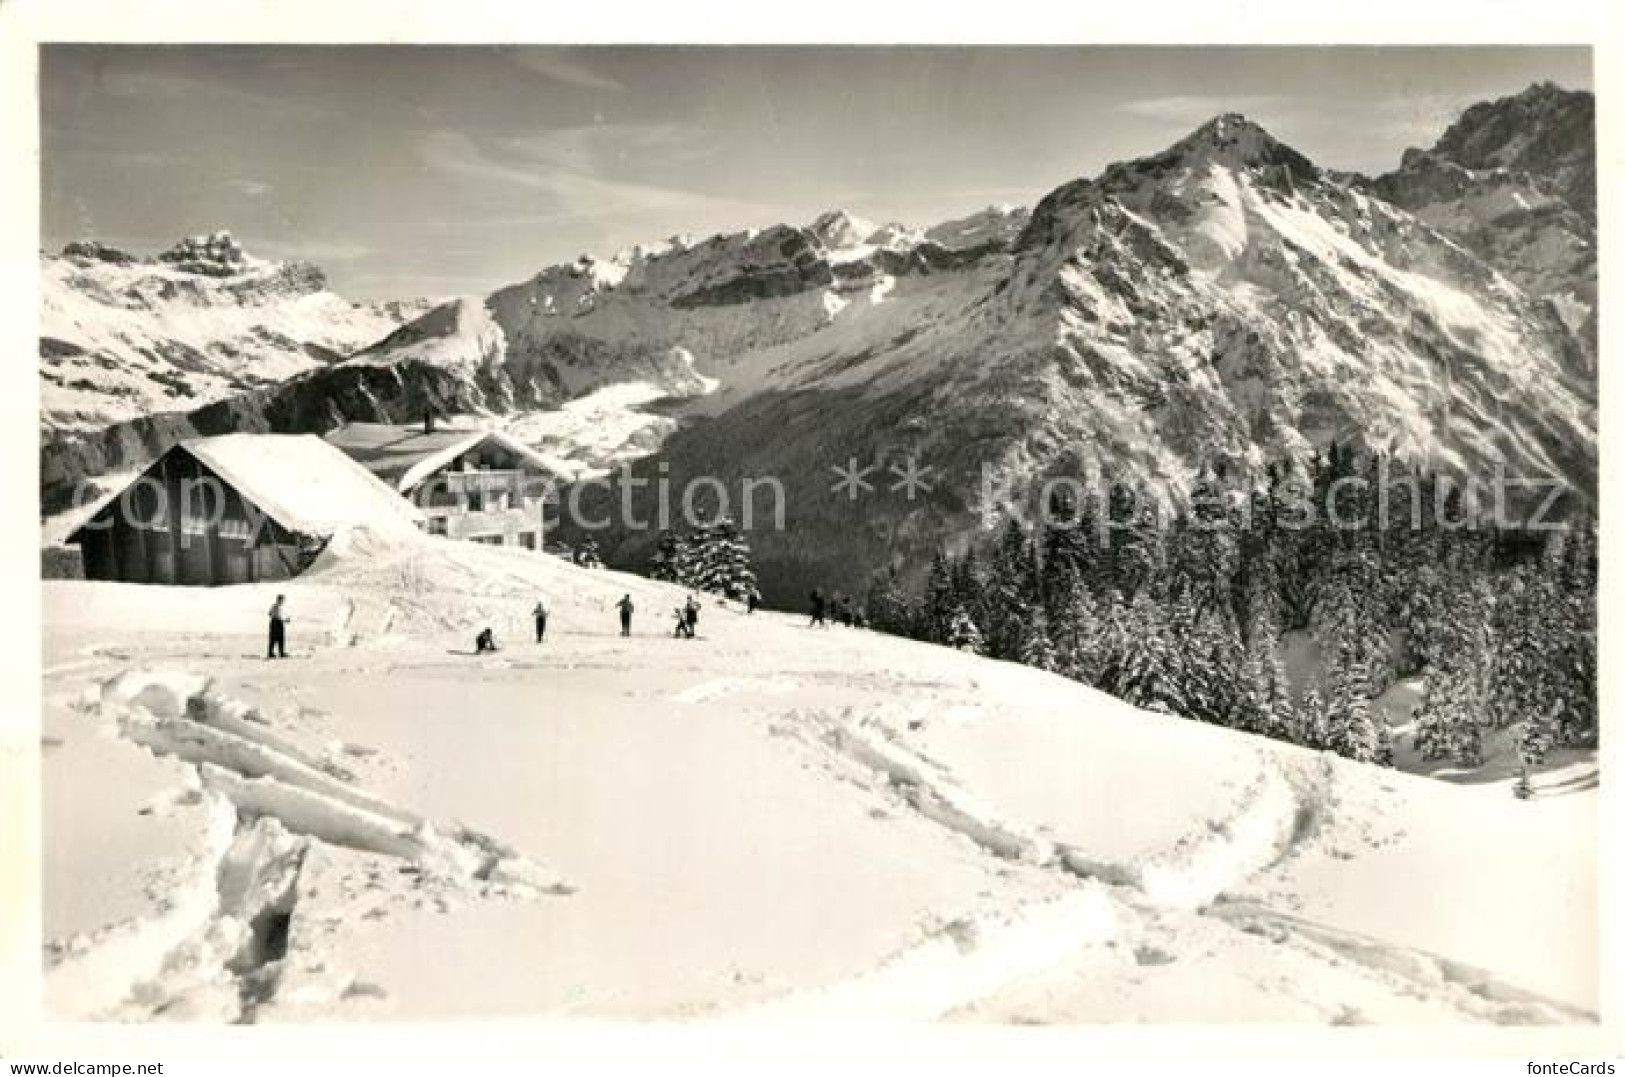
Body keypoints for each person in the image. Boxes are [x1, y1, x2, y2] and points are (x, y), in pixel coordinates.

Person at [267, 594, 289, 659]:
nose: (283, 601)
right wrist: (285, 620)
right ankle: (281, 653)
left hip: (273, 622)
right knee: (280, 638)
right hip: (278, 623)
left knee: (273, 638)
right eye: (282, 600)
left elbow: (269, 613)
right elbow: (279, 616)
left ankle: (271, 653)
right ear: (279, 600)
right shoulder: (278, 607)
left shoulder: (274, 606)